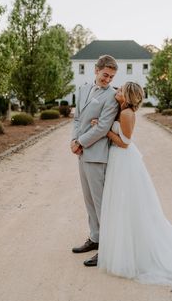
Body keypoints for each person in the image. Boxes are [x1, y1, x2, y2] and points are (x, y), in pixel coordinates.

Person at [96, 82, 172, 287]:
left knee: (127, 202)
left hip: (123, 159)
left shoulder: (127, 114)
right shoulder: (122, 110)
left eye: (121, 90)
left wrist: (103, 130)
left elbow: (125, 142)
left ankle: (133, 250)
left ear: (128, 96)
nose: (118, 91)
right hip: (119, 160)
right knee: (122, 202)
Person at [71, 54, 119, 267]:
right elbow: (77, 118)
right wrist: (74, 140)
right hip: (81, 153)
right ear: (96, 70)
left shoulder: (112, 96)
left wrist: (81, 141)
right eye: (105, 75)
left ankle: (107, 248)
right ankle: (95, 238)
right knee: (89, 200)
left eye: (111, 77)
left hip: (98, 156)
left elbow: (102, 127)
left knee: (101, 205)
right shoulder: (82, 90)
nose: (108, 80)